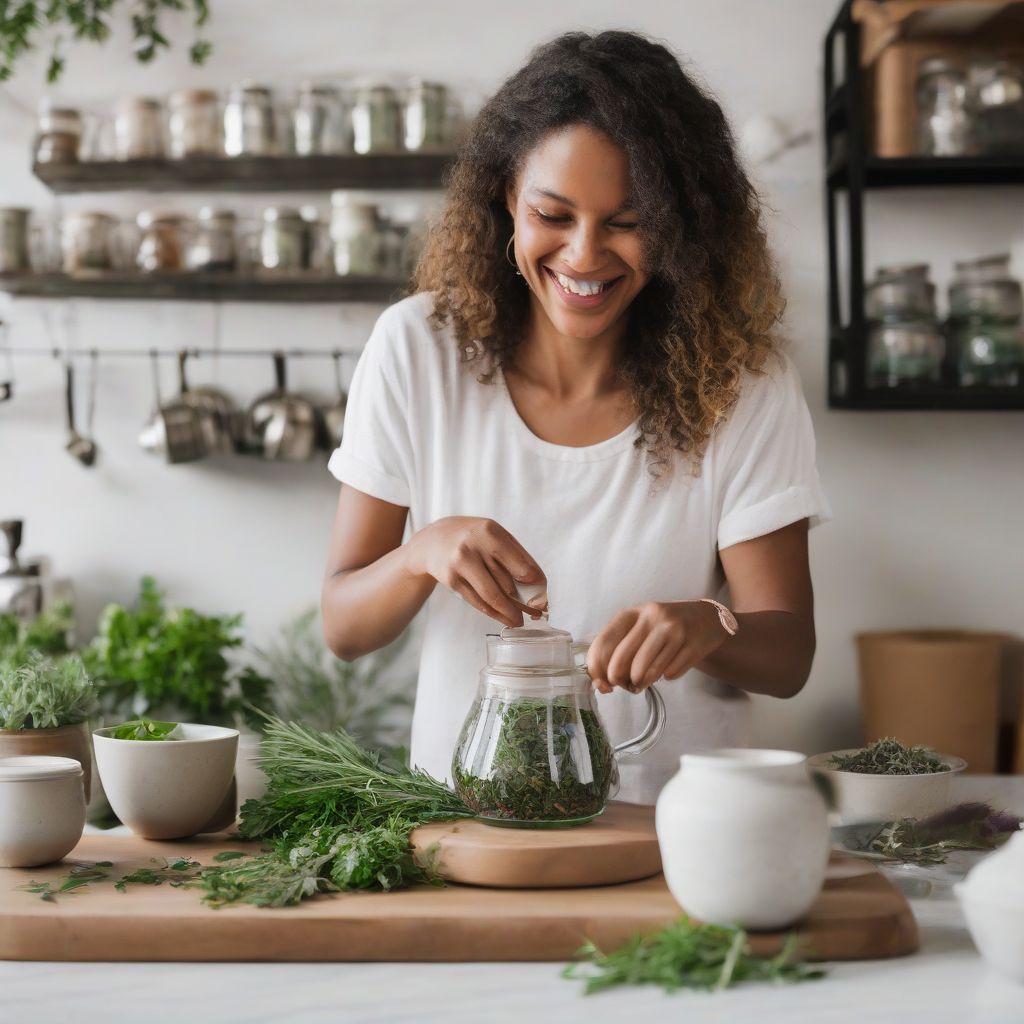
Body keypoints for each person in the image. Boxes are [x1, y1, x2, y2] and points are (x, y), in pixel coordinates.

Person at [322, 30, 830, 804]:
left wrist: (707, 627)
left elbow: (787, 653)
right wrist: (421, 552)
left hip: (672, 828)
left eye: (627, 221)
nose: (585, 256)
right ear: (506, 203)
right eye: (553, 215)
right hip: (467, 822)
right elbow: (344, 627)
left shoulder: (743, 386)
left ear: (678, 223)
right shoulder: (418, 350)